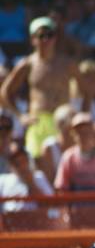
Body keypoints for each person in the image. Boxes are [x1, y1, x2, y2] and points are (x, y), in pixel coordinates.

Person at [0, 16, 78, 158]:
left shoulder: (68, 63)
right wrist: (21, 116)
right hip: (38, 122)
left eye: (50, 35)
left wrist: (81, 113)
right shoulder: (27, 64)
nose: (46, 40)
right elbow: (5, 92)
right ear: (33, 39)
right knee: (37, 162)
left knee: (65, 163)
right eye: (41, 35)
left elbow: (87, 89)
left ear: (55, 38)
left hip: (63, 122)